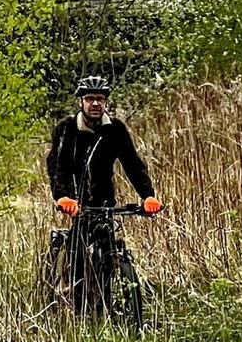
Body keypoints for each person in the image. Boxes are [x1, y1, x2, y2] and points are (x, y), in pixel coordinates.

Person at [46, 73, 162, 321]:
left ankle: (106, 303)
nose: (95, 104)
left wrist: (148, 196)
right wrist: (62, 197)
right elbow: (57, 166)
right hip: (76, 201)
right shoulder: (67, 128)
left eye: (100, 99)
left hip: (104, 200)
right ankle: (78, 306)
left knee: (108, 249)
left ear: (106, 102)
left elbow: (132, 164)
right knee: (78, 251)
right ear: (80, 101)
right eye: (90, 98)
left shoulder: (115, 129)